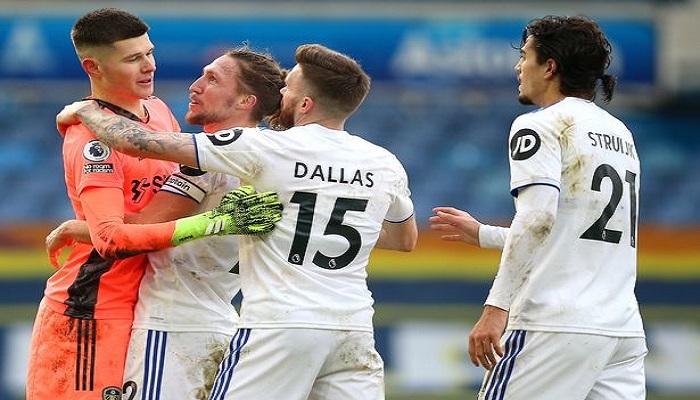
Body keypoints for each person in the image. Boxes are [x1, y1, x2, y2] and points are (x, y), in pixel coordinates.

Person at [57, 43, 418, 400]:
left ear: (305, 103)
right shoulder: (383, 162)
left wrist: (85, 110)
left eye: (289, 88)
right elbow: (404, 239)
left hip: (192, 324)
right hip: (345, 325)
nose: (283, 93)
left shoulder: (260, 151)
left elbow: (138, 145)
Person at [27, 9, 280, 400]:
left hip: (151, 310)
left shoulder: (160, 113)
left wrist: (82, 229)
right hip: (93, 309)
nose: (149, 66)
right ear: (93, 67)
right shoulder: (91, 140)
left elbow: (148, 217)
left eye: (149, 53)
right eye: (133, 59)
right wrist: (217, 223)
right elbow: (112, 239)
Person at [430, 15, 646, 400]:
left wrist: (496, 308)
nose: (518, 67)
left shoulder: (542, 124)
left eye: (525, 56)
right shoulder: (620, 133)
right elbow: (574, 233)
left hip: (553, 323)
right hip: (621, 330)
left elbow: (538, 218)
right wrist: (484, 234)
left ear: (549, 67)